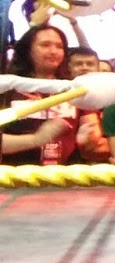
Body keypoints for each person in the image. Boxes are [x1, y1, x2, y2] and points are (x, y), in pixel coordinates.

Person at [0, 25, 77, 165]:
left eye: (59, 46)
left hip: (66, 175)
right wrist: (36, 139)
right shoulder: (7, 88)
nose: (53, 51)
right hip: (15, 174)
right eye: (45, 45)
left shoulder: (73, 89)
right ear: (28, 50)